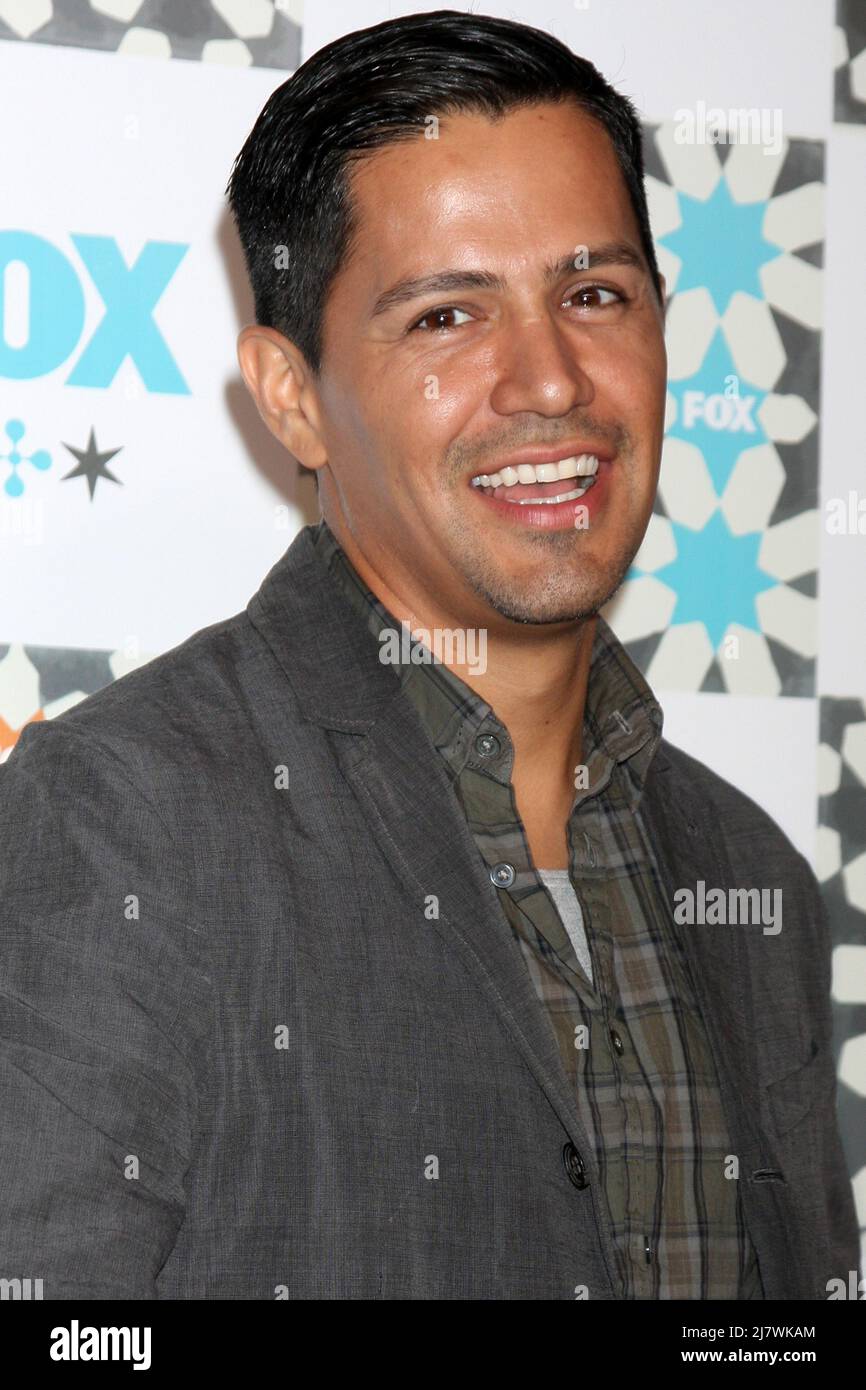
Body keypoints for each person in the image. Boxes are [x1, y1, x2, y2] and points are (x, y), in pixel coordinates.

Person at [0, 10, 857, 1300]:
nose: (553, 380)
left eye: (595, 293)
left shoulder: (751, 876)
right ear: (293, 396)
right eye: (449, 315)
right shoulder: (118, 823)